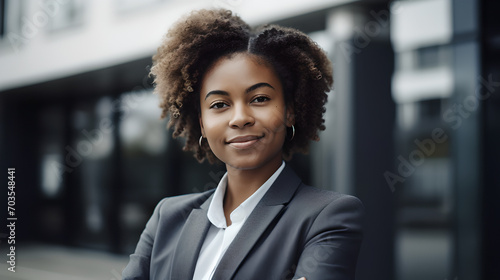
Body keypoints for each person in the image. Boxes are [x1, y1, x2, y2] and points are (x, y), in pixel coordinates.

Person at [122, 9, 363, 280]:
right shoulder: (167, 217)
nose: (239, 119)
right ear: (202, 123)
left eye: (259, 99)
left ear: (289, 111)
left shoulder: (327, 217)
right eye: (219, 105)